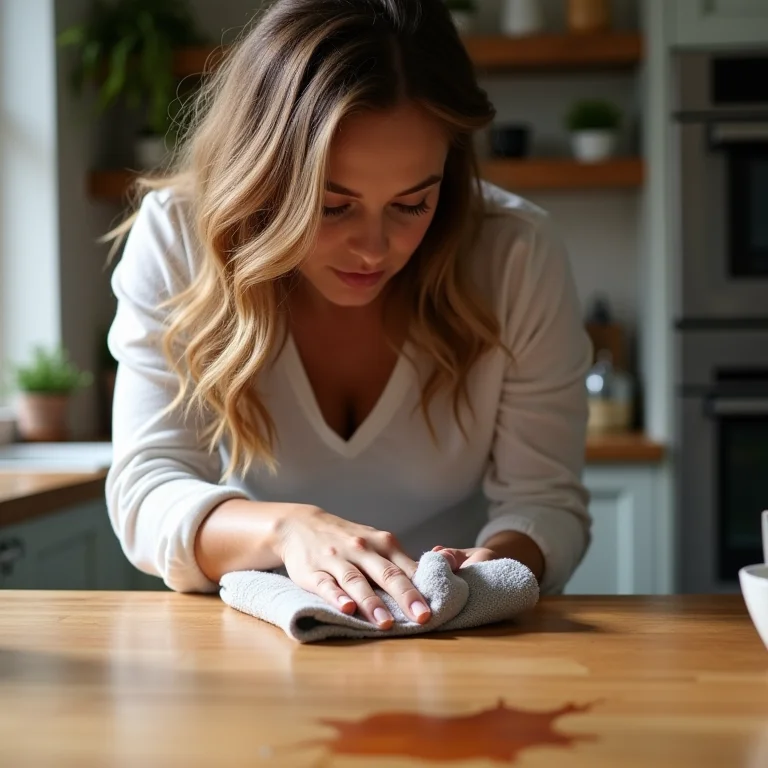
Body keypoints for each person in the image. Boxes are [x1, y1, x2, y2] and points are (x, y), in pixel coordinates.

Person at [105, 0, 593, 630]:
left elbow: (545, 502)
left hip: (458, 646)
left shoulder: (515, 253)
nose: (372, 248)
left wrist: (485, 573)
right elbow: (146, 490)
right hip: (252, 648)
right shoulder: (181, 238)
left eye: (412, 205)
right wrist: (288, 531)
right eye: (332, 207)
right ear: (262, 178)